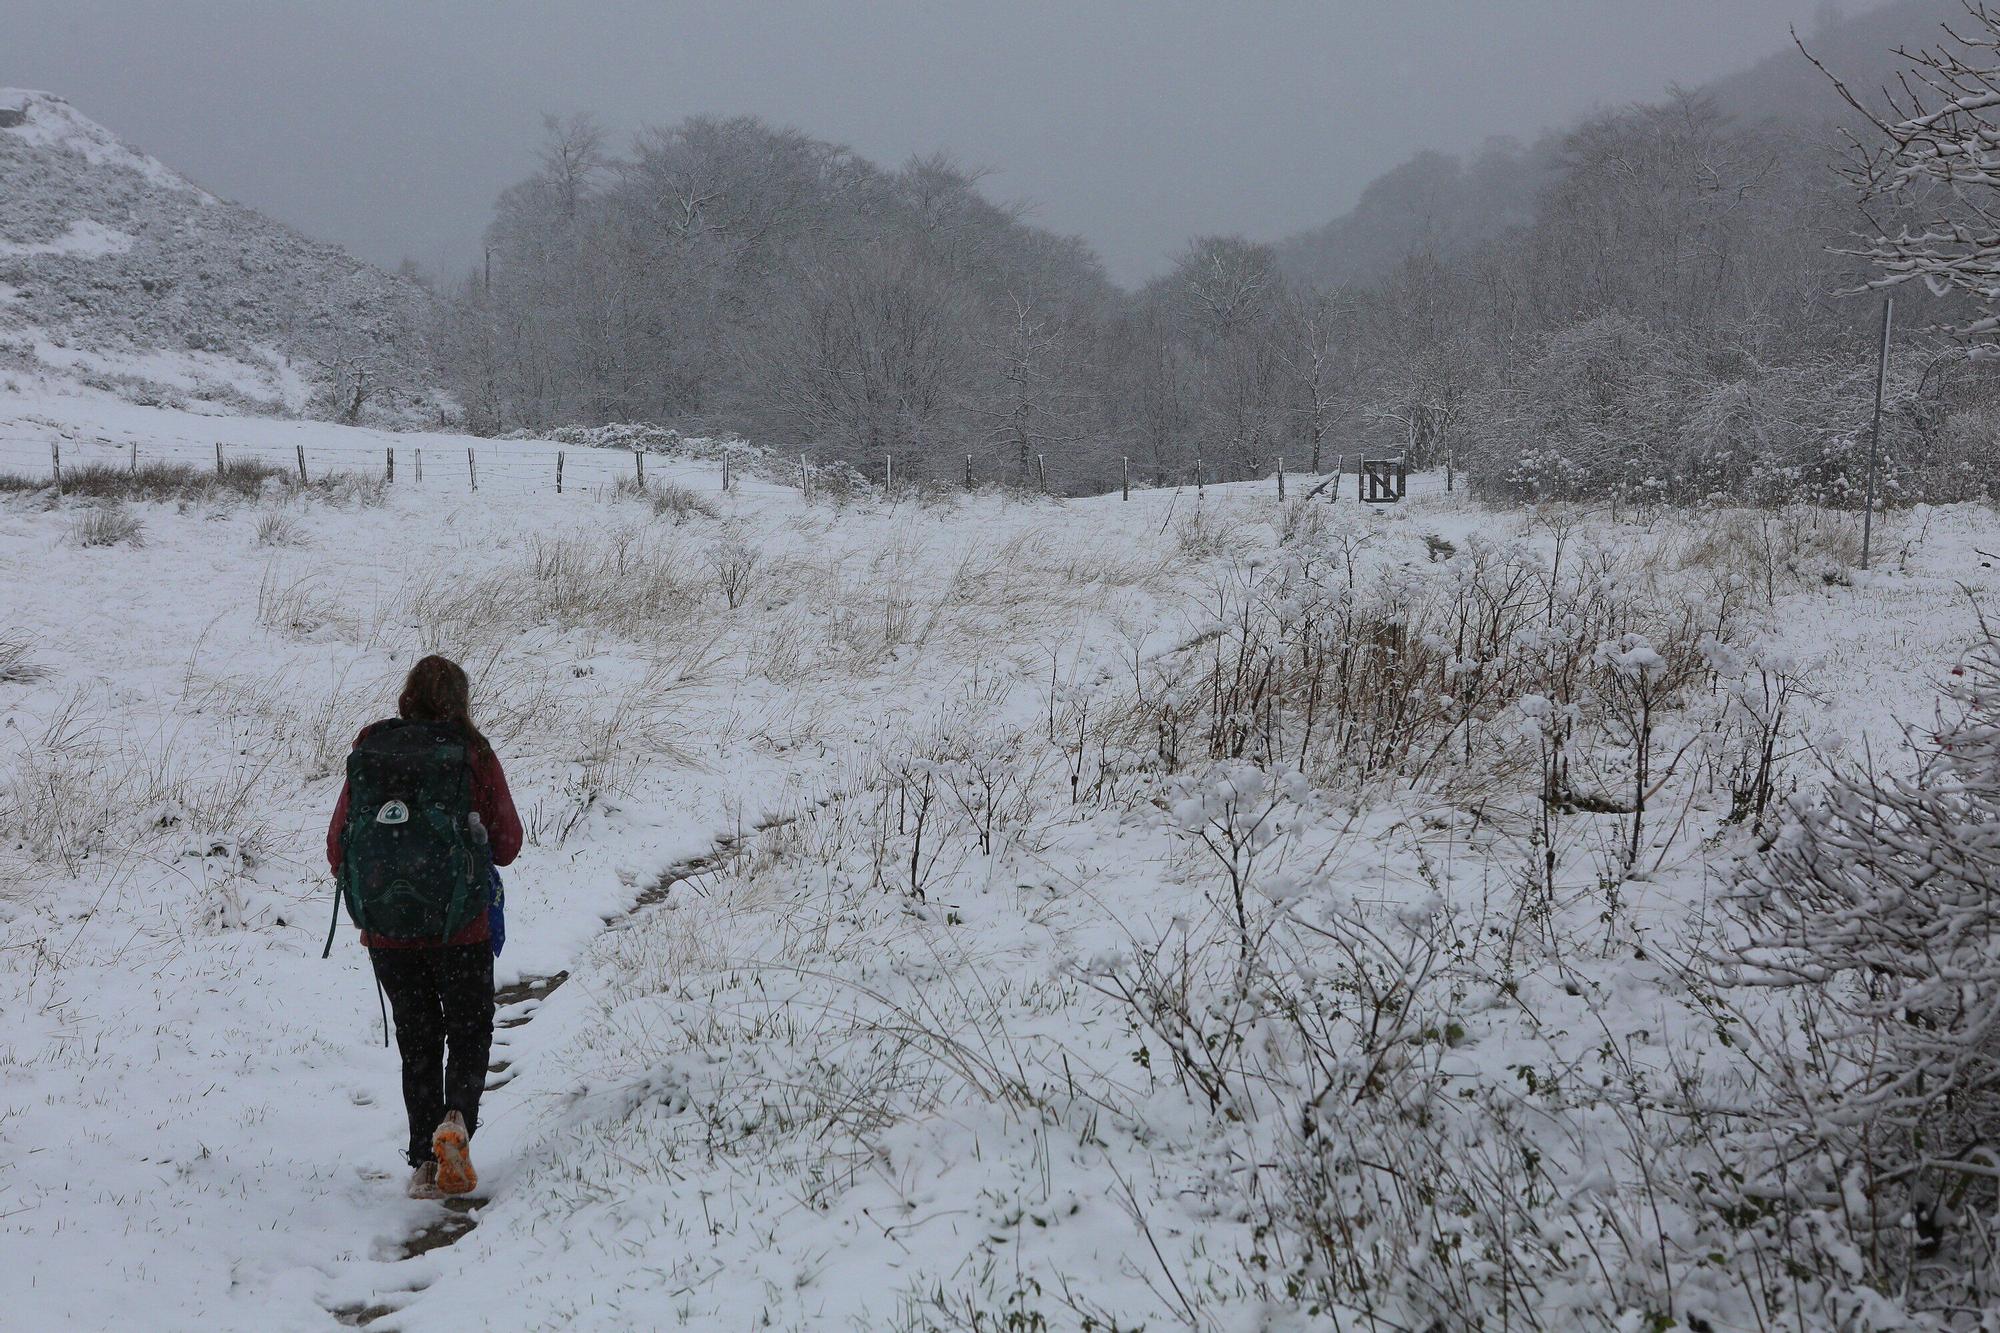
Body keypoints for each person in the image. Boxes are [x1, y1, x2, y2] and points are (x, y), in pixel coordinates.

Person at [326, 655, 522, 1200]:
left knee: (417, 1039)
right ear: (460, 700)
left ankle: (423, 1165)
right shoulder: (472, 753)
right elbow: (507, 844)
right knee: (468, 1028)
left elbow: (337, 844)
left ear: (407, 695)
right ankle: (455, 1122)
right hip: (462, 924)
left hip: (388, 930)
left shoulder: (372, 749)